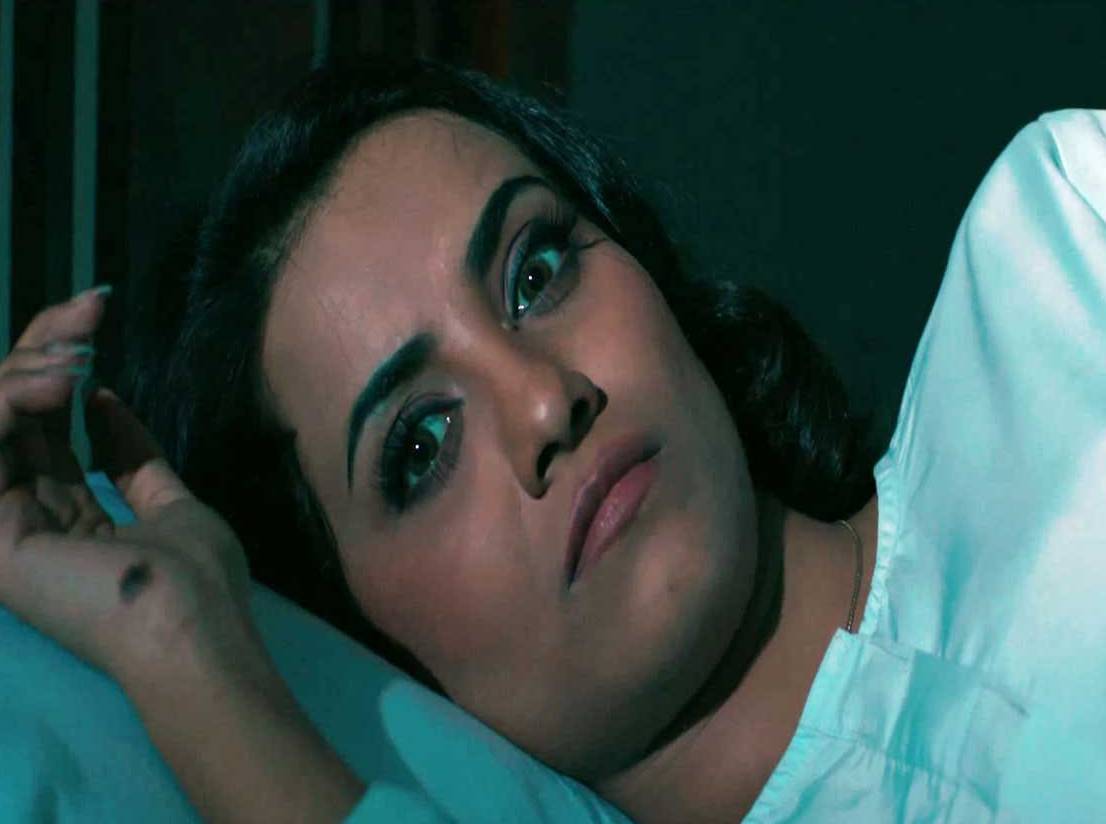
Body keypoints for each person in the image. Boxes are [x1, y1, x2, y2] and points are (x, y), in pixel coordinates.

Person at [1, 57, 1104, 823]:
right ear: (366, 642)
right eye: (420, 446)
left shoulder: (1058, 249)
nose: (543, 406)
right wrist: (178, 649)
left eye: (536, 272)